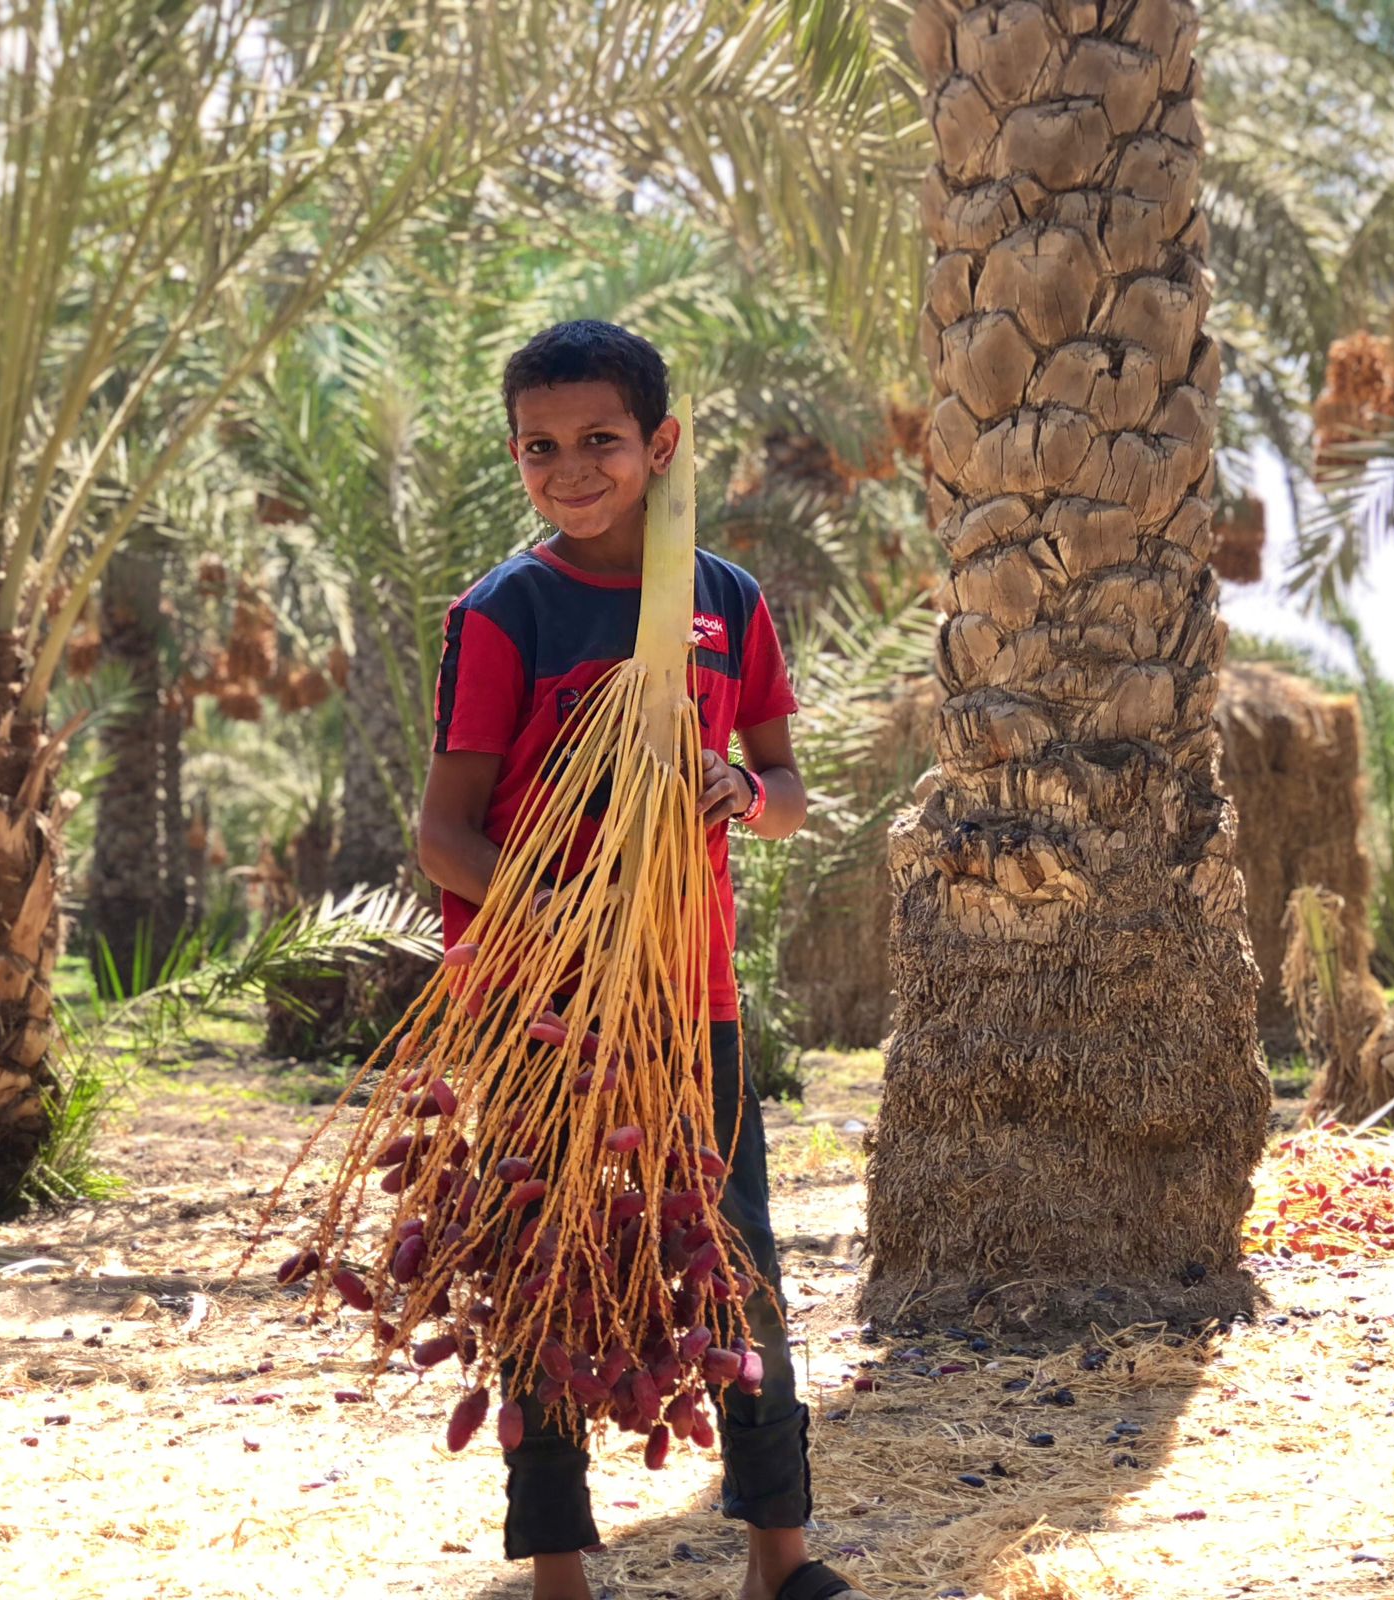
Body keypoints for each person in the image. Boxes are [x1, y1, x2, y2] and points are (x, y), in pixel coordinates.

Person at [417, 320, 869, 1600]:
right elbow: (445, 833)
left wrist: (741, 788)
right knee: (548, 1267)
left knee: (739, 1265)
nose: (572, 469)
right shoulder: (506, 612)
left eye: (601, 441)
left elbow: (784, 791)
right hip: (541, 1012)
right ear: (516, 458)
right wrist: (556, 925)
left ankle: (781, 1558)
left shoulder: (725, 602)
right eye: (541, 447)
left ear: (659, 445)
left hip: (689, 1002)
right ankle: (558, 1564)